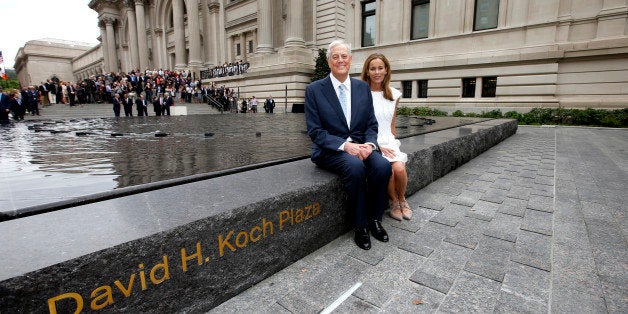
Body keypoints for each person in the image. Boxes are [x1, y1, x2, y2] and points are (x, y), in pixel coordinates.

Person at [305, 39, 392, 250]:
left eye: (344, 56)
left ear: (350, 60)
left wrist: (370, 145)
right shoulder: (314, 89)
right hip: (330, 150)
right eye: (335, 56)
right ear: (329, 62)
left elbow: (371, 125)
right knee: (355, 167)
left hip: (362, 146)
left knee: (382, 166)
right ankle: (360, 226)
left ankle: (375, 220)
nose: (340, 60)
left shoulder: (362, 88)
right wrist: (346, 146)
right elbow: (316, 132)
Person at [361, 53, 412, 221]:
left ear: (386, 70)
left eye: (380, 68)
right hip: (372, 142)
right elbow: (360, 125)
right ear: (367, 71)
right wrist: (375, 145)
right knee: (388, 170)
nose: (377, 72)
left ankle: (403, 199)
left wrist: (394, 142)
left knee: (399, 168)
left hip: (389, 139)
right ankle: (394, 202)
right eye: (372, 68)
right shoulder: (361, 94)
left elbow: (392, 122)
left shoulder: (395, 94)